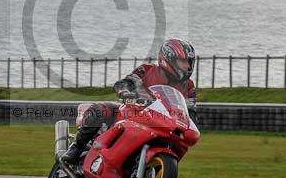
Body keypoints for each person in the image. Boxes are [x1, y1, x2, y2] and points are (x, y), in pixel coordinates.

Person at [59, 39, 198, 165]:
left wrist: (189, 124)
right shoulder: (147, 70)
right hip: (134, 112)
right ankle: (76, 148)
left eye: (189, 63)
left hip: (162, 123)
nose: (187, 67)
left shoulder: (189, 86)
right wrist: (125, 92)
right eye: (183, 62)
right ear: (168, 59)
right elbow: (124, 83)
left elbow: (190, 110)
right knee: (100, 110)